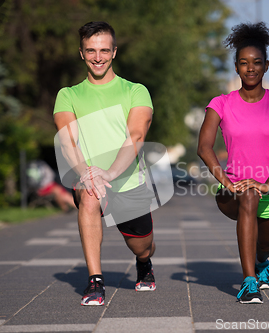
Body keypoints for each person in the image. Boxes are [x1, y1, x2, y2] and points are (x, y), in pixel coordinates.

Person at [53, 21, 156, 306]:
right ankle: (95, 281)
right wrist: (87, 173)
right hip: (88, 177)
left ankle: (144, 263)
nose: (97, 57)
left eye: (103, 50)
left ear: (114, 52)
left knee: (142, 244)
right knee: (88, 197)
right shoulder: (68, 95)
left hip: (127, 181)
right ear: (81, 53)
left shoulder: (136, 91)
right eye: (91, 51)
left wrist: (109, 172)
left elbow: (135, 136)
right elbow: (67, 141)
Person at [197, 22, 269, 304]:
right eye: (243, 63)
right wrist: (227, 182)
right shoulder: (221, 103)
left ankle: (262, 261)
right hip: (233, 191)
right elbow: (203, 147)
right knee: (249, 195)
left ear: (266, 66)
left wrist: (268, 183)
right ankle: (249, 282)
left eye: (256, 63)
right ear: (236, 67)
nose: (250, 68)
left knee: (265, 245)